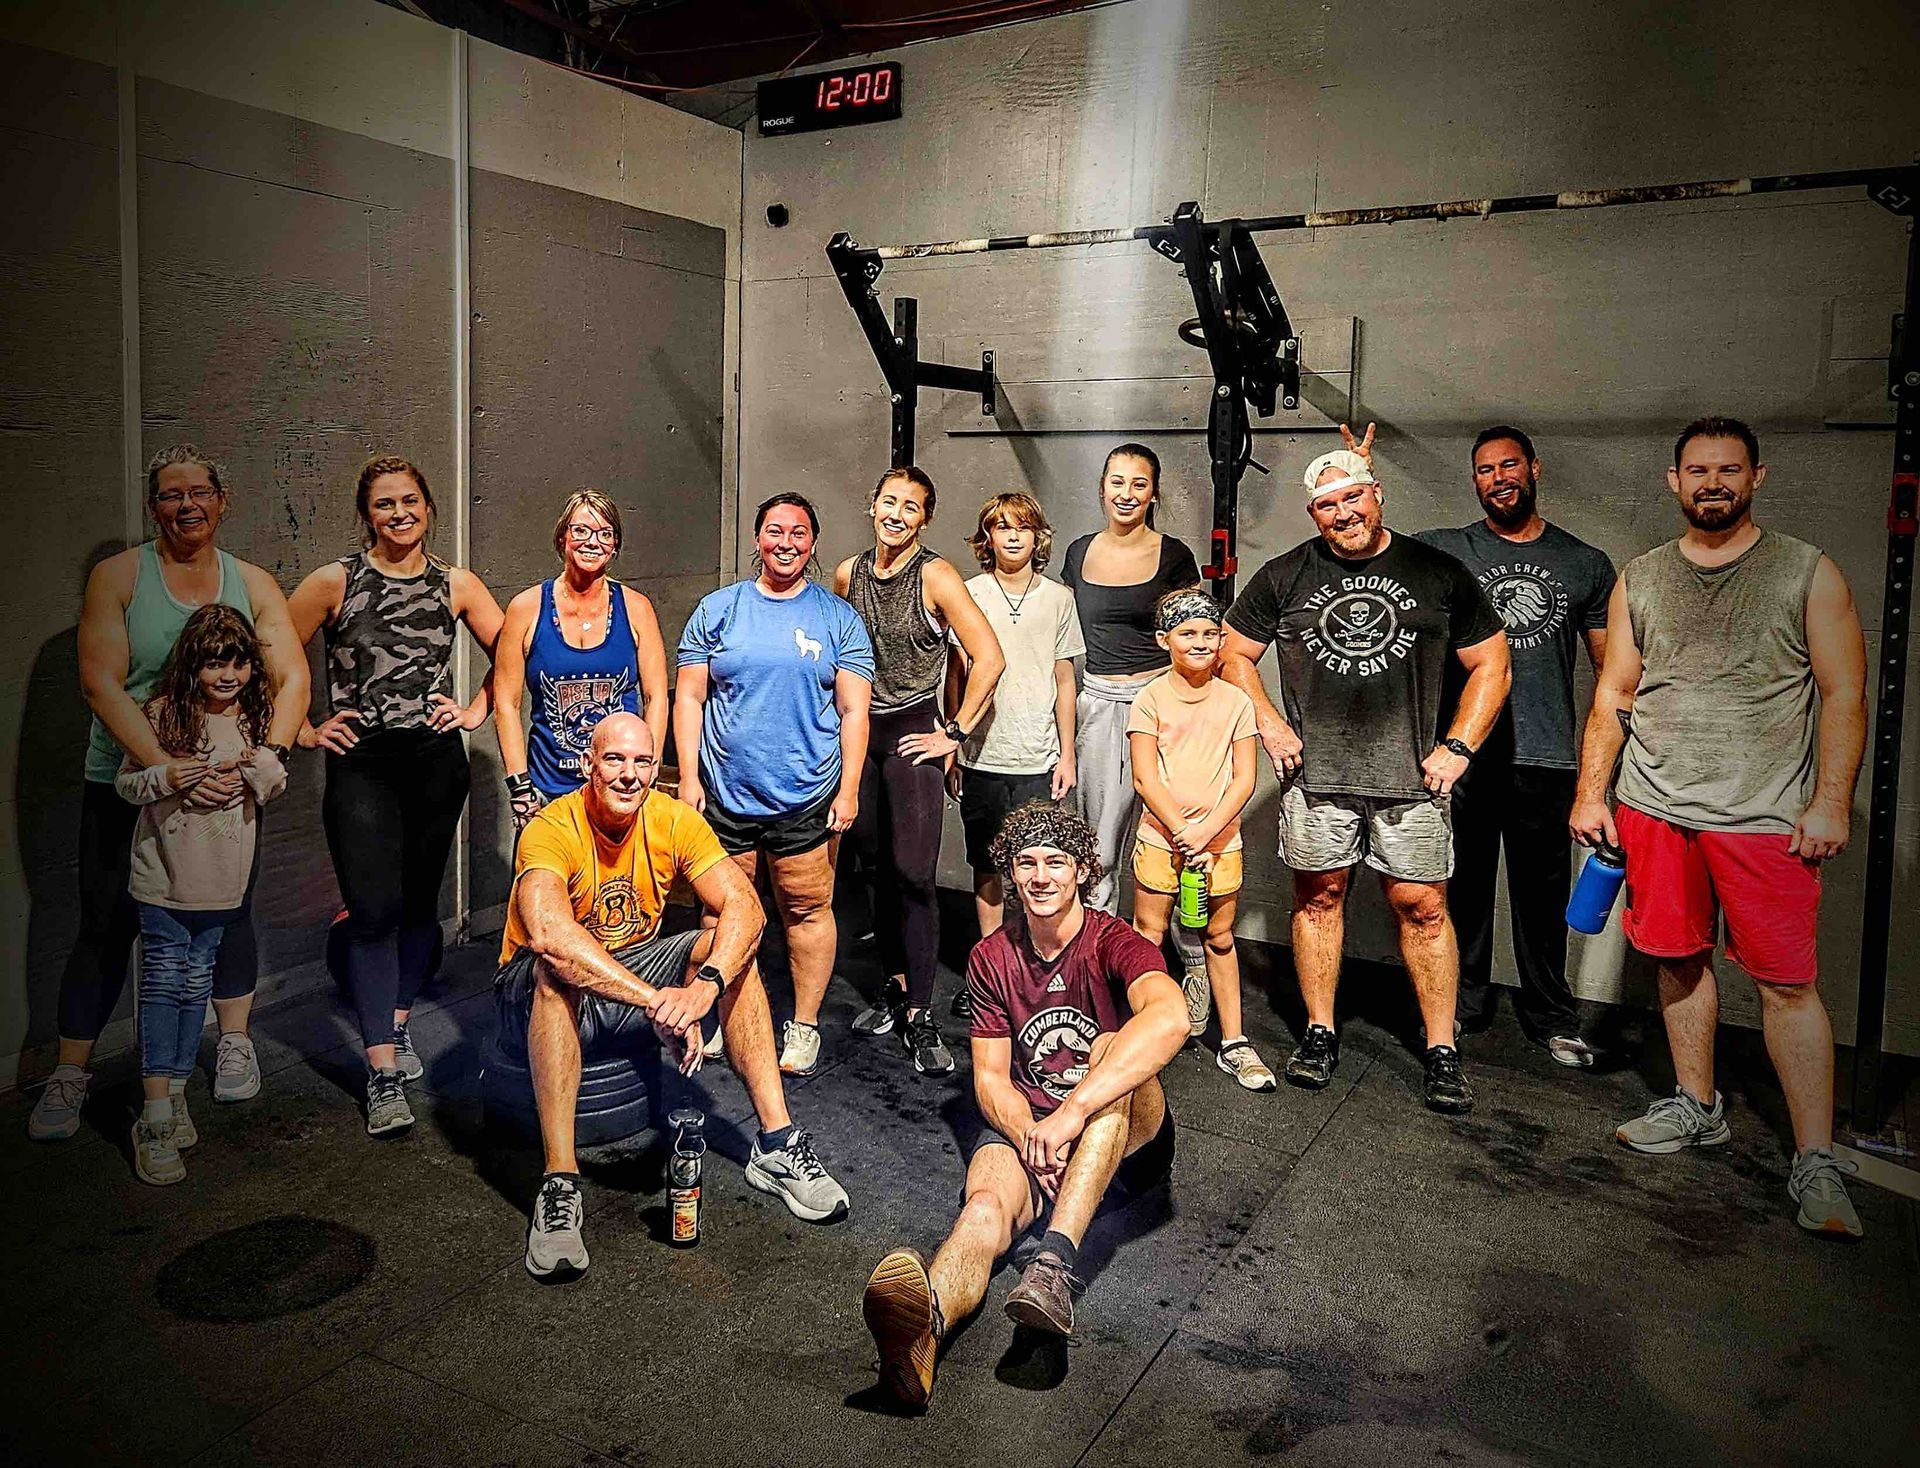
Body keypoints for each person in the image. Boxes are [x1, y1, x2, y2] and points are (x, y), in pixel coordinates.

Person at [1570, 417, 1867, 1238]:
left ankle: (1814, 1157)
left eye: (1728, 470)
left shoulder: (1807, 572)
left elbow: (1844, 693)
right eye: (1697, 470)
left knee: (1786, 984)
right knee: (1674, 961)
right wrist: (1594, 792)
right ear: (1674, 482)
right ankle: (1697, 1105)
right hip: (1655, 807)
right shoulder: (1643, 577)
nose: (1712, 483)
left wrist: (1832, 801)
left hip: (1765, 816)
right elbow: (1614, 696)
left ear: (1756, 478)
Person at [501, 713, 851, 1280]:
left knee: (728, 947)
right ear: (588, 765)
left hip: (630, 972)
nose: (629, 775)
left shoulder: (671, 818)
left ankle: (777, 1143)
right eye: (614, 759)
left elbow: (745, 908)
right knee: (553, 970)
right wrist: (657, 1001)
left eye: (642, 762)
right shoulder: (551, 825)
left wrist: (702, 989)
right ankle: (560, 1184)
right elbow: (549, 935)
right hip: (527, 994)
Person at [1219, 431, 1509, 1114]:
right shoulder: (1285, 575)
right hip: (1318, 779)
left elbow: (1492, 665)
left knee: (1424, 908)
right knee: (1318, 900)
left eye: (1354, 496)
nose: (1344, 513)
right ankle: (1320, 1032)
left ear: (1377, 494)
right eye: (1328, 505)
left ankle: (1441, 1048)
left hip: (1412, 780)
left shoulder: (1436, 573)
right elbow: (1234, 655)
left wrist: (1460, 746)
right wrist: (1267, 718)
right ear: (1313, 514)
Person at [860, 802, 1186, 1407]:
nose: (1039, 876)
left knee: (1114, 1055)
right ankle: (924, 1330)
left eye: (1055, 863)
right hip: (1033, 1130)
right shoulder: (992, 957)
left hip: (1126, 1138)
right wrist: (1031, 1134)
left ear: (1084, 870)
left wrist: (1070, 1113)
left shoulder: (1115, 942)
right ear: (1010, 872)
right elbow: (989, 1080)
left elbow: (1172, 1016)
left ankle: (1054, 1268)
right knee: (983, 1209)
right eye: (1026, 862)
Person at [29, 445, 308, 1144]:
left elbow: (291, 678)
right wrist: (169, 772)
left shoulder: (252, 582)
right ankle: (69, 1075)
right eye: (170, 495)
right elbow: (100, 682)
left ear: (222, 500)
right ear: (153, 506)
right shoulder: (119, 577)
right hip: (131, 784)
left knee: (229, 913)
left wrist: (259, 760)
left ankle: (232, 1042)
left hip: (226, 791)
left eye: (199, 493)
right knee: (105, 925)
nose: (186, 505)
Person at [287, 455, 503, 1137]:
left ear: (429, 506)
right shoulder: (334, 581)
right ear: (366, 513)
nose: (400, 514)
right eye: (385, 504)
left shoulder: (456, 584)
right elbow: (270, 655)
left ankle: (397, 1025)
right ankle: (381, 1072)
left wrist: (474, 711)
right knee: (373, 910)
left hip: (436, 762)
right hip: (364, 765)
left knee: (417, 907)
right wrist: (299, 727)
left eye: (410, 501)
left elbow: (519, 652)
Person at [1416, 427, 1614, 1065]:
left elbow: (1612, 679)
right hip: (1468, 751)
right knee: (1464, 887)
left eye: (1509, 466)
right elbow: (1374, 548)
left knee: (1542, 896)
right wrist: (1358, 472)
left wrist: (1601, 774)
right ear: (1473, 481)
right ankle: (1466, 1003)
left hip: (1547, 752)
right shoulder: (1446, 551)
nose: (1498, 478)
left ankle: (1551, 1013)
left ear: (1534, 469)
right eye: (1484, 470)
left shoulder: (1584, 562)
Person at [676, 493, 872, 1079]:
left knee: (807, 910)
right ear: (758, 538)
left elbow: (854, 712)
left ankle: (804, 1024)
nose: (786, 542)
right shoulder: (718, 610)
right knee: (720, 914)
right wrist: (688, 779)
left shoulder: (838, 619)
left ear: (813, 543)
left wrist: (850, 790)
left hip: (806, 794)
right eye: (774, 531)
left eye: (799, 533)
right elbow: (688, 697)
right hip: (725, 794)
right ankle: (718, 1006)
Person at [834, 467, 1004, 1077]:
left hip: (912, 733)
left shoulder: (935, 574)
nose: (897, 514)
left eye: (912, 506)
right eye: (889, 501)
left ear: (925, 518)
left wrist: (953, 732)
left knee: (915, 874)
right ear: (871, 504)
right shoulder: (848, 573)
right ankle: (893, 990)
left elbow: (989, 657)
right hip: (861, 735)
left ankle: (923, 1012)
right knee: (874, 869)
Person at [115, 607, 288, 1183]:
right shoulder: (162, 715)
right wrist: (173, 775)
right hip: (163, 880)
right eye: (215, 662)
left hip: (222, 885)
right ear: (194, 663)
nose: (227, 674)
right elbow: (127, 783)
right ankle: (156, 1111)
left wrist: (250, 770)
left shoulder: (256, 718)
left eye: (237, 662)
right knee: (164, 983)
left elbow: (272, 786)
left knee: (195, 985)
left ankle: (177, 1090)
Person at [945, 492, 1082, 1008]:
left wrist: (1066, 752)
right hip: (981, 754)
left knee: (1038, 867)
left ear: (1037, 537)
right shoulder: (970, 592)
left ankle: (1032, 970)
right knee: (986, 865)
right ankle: (986, 972)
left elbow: (1065, 677)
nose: (1012, 536)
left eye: (1021, 528)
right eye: (1001, 528)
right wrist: (952, 748)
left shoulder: (1058, 598)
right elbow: (957, 673)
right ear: (987, 539)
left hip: (1038, 756)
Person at [1126, 588, 1267, 1089]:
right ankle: (1144, 1035)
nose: (1201, 642)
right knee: (1149, 934)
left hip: (1219, 843)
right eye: (1188, 633)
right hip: (1162, 840)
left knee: (1219, 936)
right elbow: (1145, 778)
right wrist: (1183, 835)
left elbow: (1244, 779)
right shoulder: (1149, 700)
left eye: (1210, 633)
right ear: (1165, 640)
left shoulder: (1235, 701)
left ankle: (1234, 1042)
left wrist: (1206, 833)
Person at [1060, 444, 1202, 915]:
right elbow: (1057, 638)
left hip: (1161, 702)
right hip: (1098, 703)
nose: (1127, 493)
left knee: (1175, 836)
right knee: (1097, 844)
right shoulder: (1079, 552)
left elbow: (1196, 638)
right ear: (1101, 488)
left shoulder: (1174, 556)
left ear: (1154, 494)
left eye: (1139, 483)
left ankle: (1191, 958)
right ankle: (1093, 957)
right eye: (1117, 482)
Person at [493, 490, 670, 826]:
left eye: (605, 534)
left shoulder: (636, 608)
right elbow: (505, 702)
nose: (593, 541)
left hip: (620, 792)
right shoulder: (526, 608)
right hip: (547, 794)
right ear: (563, 536)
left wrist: (649, 771)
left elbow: (656, 695)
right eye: (582, 530)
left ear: (615, 545)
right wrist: (520, 786)